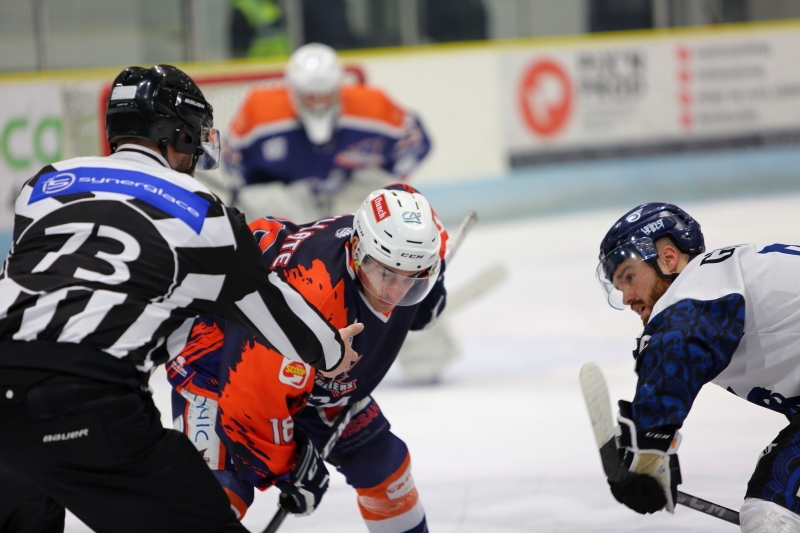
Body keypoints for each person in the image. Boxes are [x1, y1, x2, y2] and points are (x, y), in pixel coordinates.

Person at [0, 64, 360, 533]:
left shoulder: (43, 187)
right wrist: (331, 350)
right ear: (180, 137)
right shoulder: (203, 212)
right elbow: (271, 310)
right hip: (85, 403)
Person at [168, 184, 447, 531]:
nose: (394, 293)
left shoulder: (398, 249)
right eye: (386, 274)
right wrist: (288, 466)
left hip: (310, 373)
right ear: (357, 251)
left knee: (386, 470)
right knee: (215, 499)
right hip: (218, 362)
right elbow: (249, 402)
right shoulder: (310, 293)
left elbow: (408, 201)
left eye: (413, 280)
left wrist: (432, 285)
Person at [596, 202, 800, 533]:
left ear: (668, 258)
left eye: (629, 277)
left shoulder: (700, 288)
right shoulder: (733, 277)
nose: (626, 297)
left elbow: (679, 344)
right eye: (619, 287)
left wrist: (649, 440)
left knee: (773, 509)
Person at [224, 42, 431, 224]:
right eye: (310, 95)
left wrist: (385, 177)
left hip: (348, 194)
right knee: (258, 199)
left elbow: (416, 141)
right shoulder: (260, 111)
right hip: (290, 200)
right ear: (294, 90)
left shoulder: (373, 107)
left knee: (378, 195)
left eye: (324, 94)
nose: (318, 102)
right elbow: (233, 159)